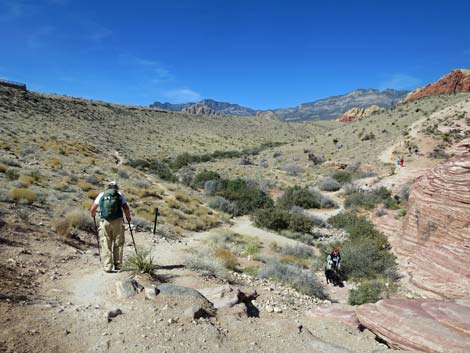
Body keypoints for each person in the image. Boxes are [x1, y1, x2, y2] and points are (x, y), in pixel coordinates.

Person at [90, 181, 131, 273]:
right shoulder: (119, 194)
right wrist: (128, 218)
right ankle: (118, 265)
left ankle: (108, 266)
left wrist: (93, 215)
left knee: (105, 243)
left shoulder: (102, 194)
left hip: (105, 221)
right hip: (118, 221)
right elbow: (126, 208)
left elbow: (93, 209)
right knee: (118, 243)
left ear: (107, 187)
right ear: (116, 187)